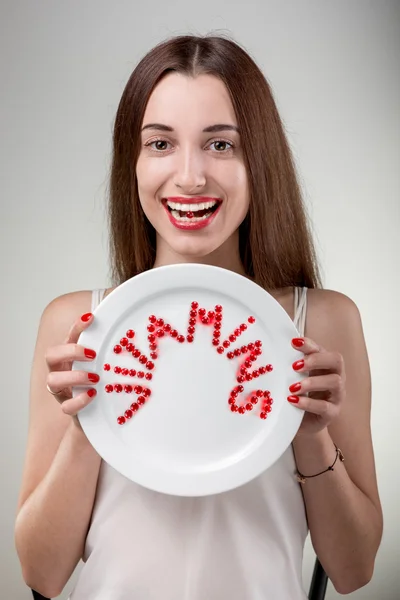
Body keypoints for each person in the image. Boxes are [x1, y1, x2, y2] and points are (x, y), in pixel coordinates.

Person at [15, 34, 383, 599]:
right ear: (131, 162)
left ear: (259, 159)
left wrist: (310, 433)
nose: (189, 177)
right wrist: (88, 425)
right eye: (160, 143)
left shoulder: (321, 323)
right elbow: (41, 574)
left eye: (221, 145)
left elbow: (355, 569)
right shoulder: (81, 323)